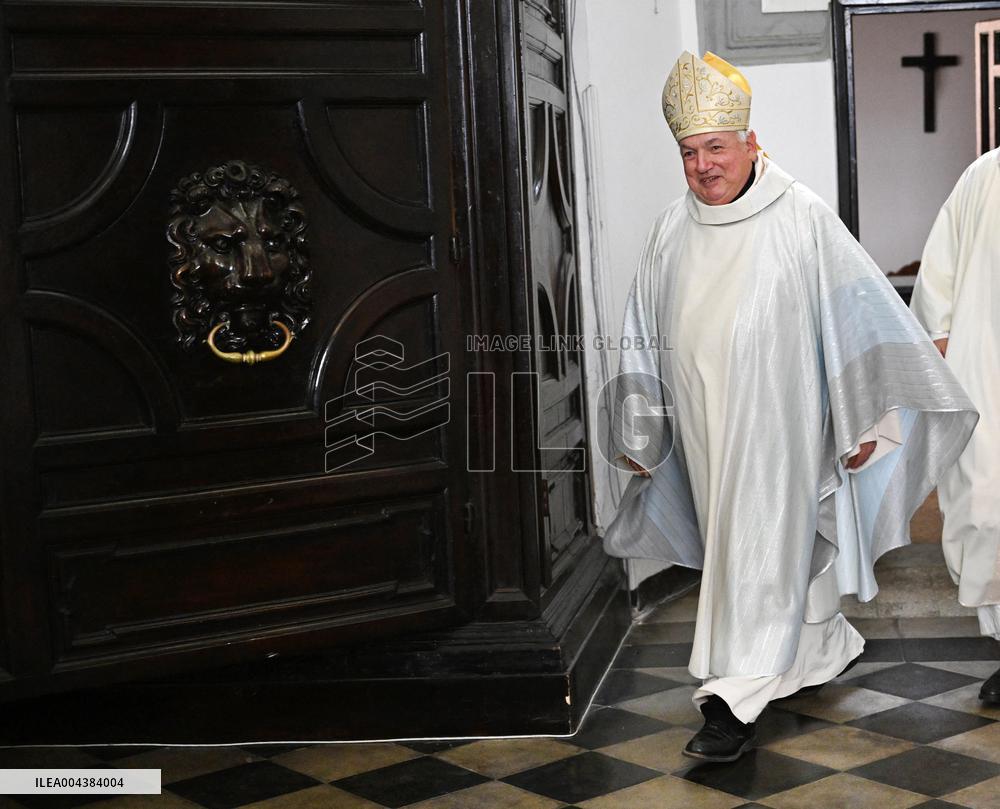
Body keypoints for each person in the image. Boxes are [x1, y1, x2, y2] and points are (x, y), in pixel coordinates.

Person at [602, 50, 977, 762]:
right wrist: (640, 423)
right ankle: (819, 647)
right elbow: (640, 332)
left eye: (716, 147)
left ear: (750, 142)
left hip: (784, 427)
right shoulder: (668, 231)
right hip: (705, 431)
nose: (703, 166)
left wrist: (867, 419)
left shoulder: (800, 215)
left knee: (760, 547)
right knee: (751, 553)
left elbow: (860, 312)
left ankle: (730, 701)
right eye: (689, 152)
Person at [910, 146, 1000, 706]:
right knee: (986, 512)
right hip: (986, 377)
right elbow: (938, 273)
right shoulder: (983, 177)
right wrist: (940, 340)